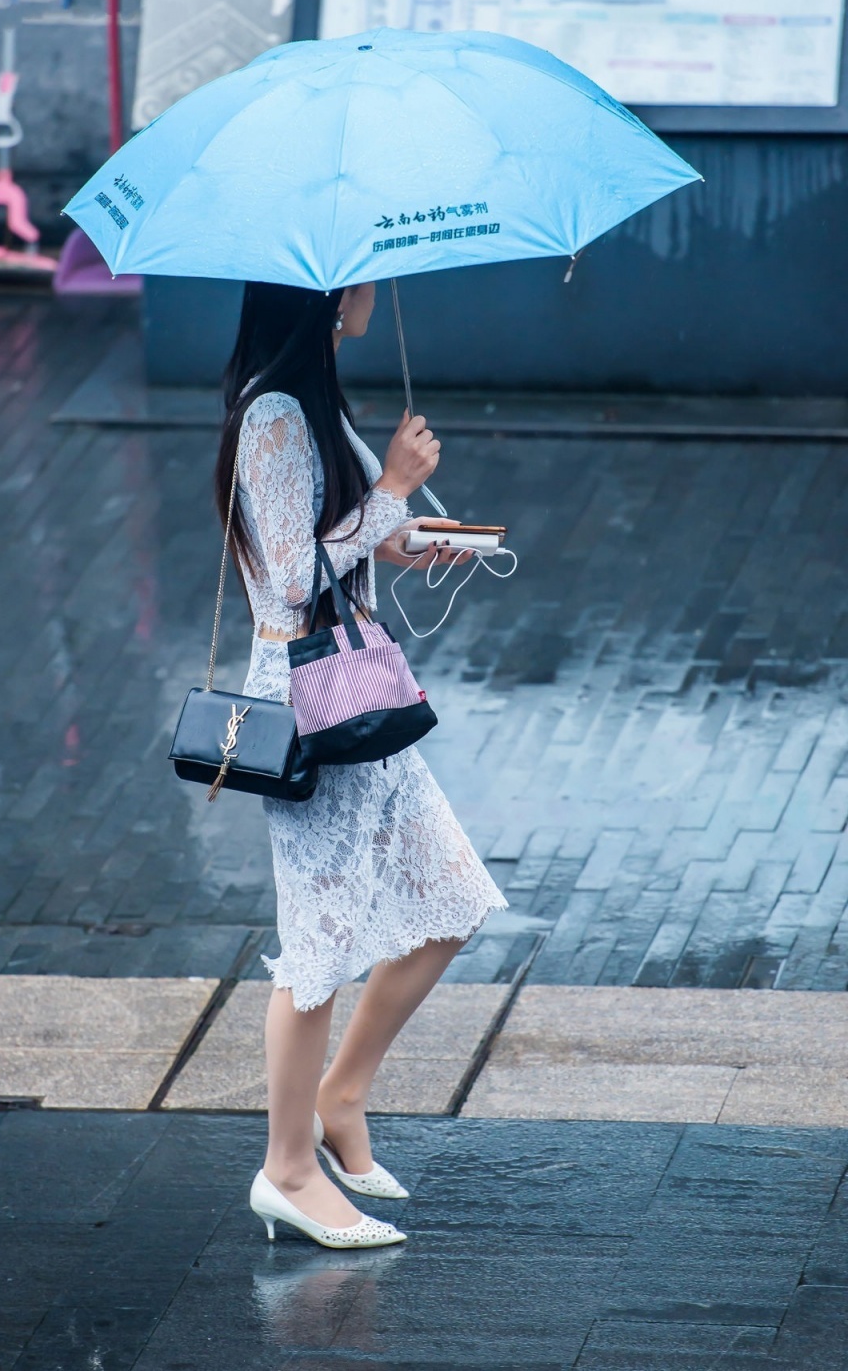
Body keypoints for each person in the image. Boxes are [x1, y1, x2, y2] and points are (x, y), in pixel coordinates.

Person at [215, 280, 508, 1249]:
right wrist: (390, 483)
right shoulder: (271, 411)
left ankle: (343, 1093)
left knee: (452, 902)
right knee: (317, 950)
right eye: (367, 272)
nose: (379, 288)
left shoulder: (316, 394)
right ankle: (288, 1170)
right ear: (328, 289)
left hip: (361, 688)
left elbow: (352, 542)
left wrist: (427, 540)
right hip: (309, 704)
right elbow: (294, 576)